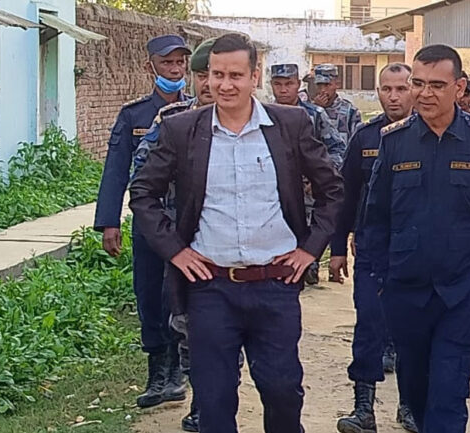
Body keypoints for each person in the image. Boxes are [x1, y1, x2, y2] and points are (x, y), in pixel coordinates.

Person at [130, 33, 344, 433]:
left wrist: (310, 249)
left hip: (275, 284)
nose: (224, 85)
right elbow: (142, 193)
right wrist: (175, 251)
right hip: (210, 288)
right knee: (213, 399)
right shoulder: (181, 130)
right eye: (216, 75)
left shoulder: (290, 125)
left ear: (254, 76)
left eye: (235, 76)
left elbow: (332, 189)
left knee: (282, 391)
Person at [363, 44, 470, 432]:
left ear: (459, 87)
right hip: (406, 292)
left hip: (463, 294)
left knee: (448, 396)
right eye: (418, 84)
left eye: (436, 85)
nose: (425, 94)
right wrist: (382, 278)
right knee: (415, 393)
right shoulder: (395, 141)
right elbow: (375, 217)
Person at [94, 34, 190, 410]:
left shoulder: (198, 110)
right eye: (167, 63)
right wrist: (109, 222)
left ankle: (178, 372)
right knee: (149, 294)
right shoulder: (134, 115)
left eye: (180, 62)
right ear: (150, 66)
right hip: (149, 222)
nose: (175, 69)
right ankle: (156, 373)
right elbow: (116, 170)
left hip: (186, 223)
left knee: (179, 294)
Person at [131, 37, 216, 432]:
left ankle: (207, 399)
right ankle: (193, 395)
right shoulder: (172, 120)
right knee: (176, 316)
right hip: (174, 239)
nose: (209, 83)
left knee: (213, 326)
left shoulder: (257, 125)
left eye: (215, 74)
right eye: (201, 75)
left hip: (222, 243)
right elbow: (141, 178)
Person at [329, 63, 419, 433]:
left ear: (414, 90)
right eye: (386, 89)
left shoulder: (428, 135)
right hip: (372, 250)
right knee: (368, 325)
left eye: (401, 88)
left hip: (415, 252)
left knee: (412, 330)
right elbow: (347, 196)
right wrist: (337, 248)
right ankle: (363, 407)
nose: (393, 97)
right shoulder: (366, 137)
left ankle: (410, 405)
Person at [270, 63, 347, 285]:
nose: (283, 90)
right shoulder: (261, 115)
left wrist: (321, 178)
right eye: (278, 84)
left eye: (289, 84)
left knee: (308, 245)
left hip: (307, 194)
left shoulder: (314, 115)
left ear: (298, 85)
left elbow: (338, 149)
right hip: (273, 195)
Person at [314, 63, 362, 141]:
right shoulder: (309, 111)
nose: (322, 90)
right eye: (319, 85)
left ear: (337, 84)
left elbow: (356, 140)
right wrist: (317, 110)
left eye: (327, 85)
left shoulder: (350, 111)